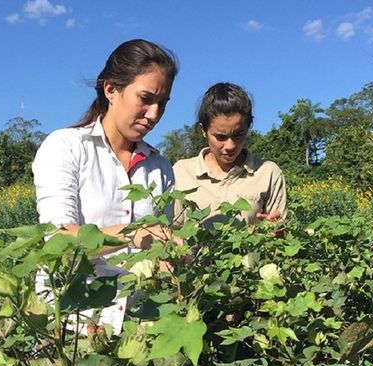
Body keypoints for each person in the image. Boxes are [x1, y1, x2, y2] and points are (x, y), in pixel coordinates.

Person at [32, 39, 178, 334]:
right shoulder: (66, 148)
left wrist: (174, 260)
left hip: (137, 331)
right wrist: (133, 235)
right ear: (111, 89)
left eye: (162, 103)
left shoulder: (159, 167)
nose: (154, 114)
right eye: (145, 98)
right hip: (74, 326)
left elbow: (158, 249)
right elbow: (58, 242)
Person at [173, 82, 286, 228]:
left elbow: (281, 236)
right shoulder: (182, 172)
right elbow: (171, 232)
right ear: (203, 130)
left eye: (239, 135)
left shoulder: (268, 173)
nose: (230, 146)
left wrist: (275, 230)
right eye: (220, 137)